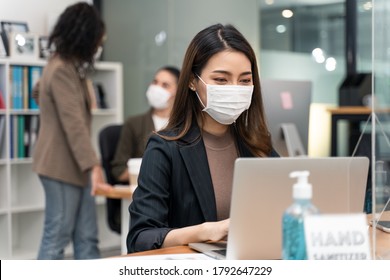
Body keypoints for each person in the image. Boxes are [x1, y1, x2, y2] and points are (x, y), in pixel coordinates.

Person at [127, 23, 279, 253]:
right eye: (221, 80)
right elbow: (140, 238)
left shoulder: (258, 145)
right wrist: (204, 232)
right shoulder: (165, 148)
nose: (235, 88)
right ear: (191, 81)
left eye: (245, 80)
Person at [32, 2, 112, 259]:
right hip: (61, 167)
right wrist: (95, 167)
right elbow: (74, 125)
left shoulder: (64, 67)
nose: (98, 46)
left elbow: (38, 92)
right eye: (97, 40)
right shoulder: (61, 70)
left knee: (87, 238)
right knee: (56, 238)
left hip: (75, 167)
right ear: (84, 36)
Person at [110, 66, 180, 183]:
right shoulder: (134, 123)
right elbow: (119, 170)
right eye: (155, 82)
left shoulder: (186, 125)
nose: (157, 88)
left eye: (165, 85)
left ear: (178, 91)